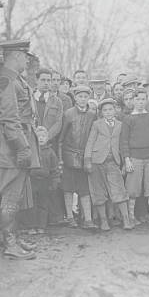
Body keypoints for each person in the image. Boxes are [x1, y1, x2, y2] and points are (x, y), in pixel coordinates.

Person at [0, 39, 40, 260]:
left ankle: (11, 237)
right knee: (11, 197)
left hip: (18, 145)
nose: (26, 60)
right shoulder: (6, 80)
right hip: (11, 149)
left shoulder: (16, 79)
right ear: (16, 56)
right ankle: (9, 243)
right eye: (24, 56)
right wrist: (21, 148)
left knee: (17, 196)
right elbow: (10, 120)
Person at [84, 98, 133, 231]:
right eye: (105, 110)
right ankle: (103, 221)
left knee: (119, 190)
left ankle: (126, 220)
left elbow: (123, 145)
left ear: (115, 110)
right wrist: (88, 160)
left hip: (113, 162)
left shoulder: (120, 125)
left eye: (110, 109)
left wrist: (123, 162)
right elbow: (90, 142)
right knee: (98, 192)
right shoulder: (97, 124)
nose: (108, 112)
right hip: (97, 161)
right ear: (101, 112)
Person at [120, 88, 149, 228]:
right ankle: (131, 217)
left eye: (143, 99)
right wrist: (127, 159)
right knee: (132, 188)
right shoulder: (128, 119)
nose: (140, 102)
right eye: (137, 99)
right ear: (133, 100)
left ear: (147, 100)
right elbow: (124, 141)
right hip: (135, 157)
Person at [58, 84, 97, 229]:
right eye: (80, 96)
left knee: (84, 188)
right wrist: (61, 158)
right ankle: (69, 217)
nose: (82, 99)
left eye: (85, 96)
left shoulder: (92, 115)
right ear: (75, 98)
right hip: (69, 156)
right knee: (68, 188)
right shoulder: (68, 114)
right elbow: (61, 139)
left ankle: (88, 219)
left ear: (89, 98)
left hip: (85, 157)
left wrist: (90, 157)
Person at [28, 126, 60, 235]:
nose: (41, 138)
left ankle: (41, 226)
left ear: (47, 138)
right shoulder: (30, 150)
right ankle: (32, 226)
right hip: (32, 181)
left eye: (43, 136)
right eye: (38, 136)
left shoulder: (50, 152)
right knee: (32, 205)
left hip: (45, 182)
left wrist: (54, 183)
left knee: (43, 205)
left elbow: (55, 169)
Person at [33, 68, 64, 148]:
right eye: (43, 80)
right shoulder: (29, 98)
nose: (46, 83)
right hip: (31, 142)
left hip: (49, 145)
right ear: (36, 80)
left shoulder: (57, 101)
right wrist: (35, 136)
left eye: (48, 80)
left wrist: (46, 137)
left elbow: (58, 123)